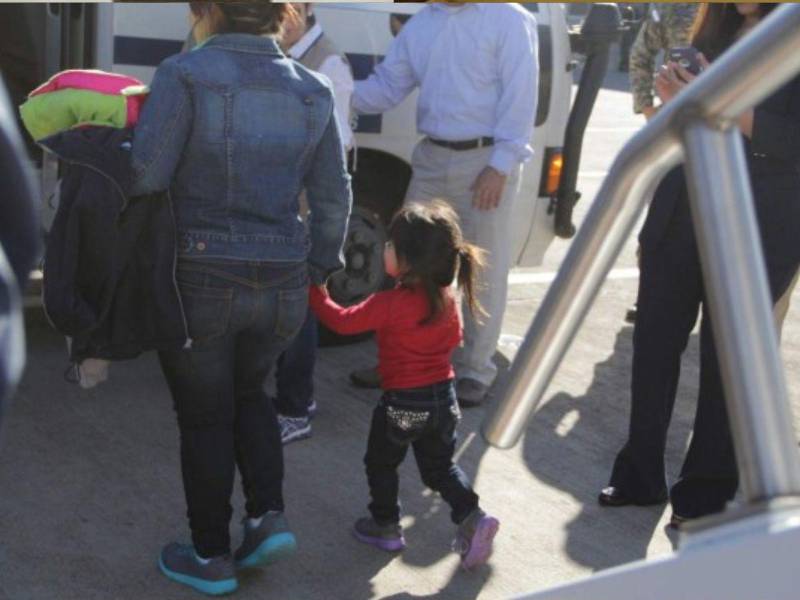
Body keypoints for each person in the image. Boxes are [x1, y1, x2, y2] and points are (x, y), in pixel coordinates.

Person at [130, 2, 352, 595]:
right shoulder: (314, 87)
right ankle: (266, 518)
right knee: (251, 393)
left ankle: (209, 556)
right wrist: (317, 267)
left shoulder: (184, 73)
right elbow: (334, 196)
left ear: (208, 10)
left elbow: (147, 175)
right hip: (283, 278)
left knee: (204, 415)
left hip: (200, 274)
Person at [600, 3, 800, 526]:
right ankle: (639, 473)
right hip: (682, 207)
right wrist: (677, 101)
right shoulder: (716, 28)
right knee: (653, 346)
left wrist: (719, 100)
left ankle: (704, 498)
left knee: (726, 364)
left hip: (757, 224)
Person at [350, 2, 539, 406]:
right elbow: (386, 87)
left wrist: (500, 165)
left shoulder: (508, 19)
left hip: (485, 161)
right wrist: (327, 90)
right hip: (431, 157)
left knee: (482, 270)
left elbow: (521, 96)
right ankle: (398, 361)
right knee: (407, 262)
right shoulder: (423, 24)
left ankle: (475, 370)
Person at [309, 202, 500, 570]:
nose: (384, 249)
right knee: (440, 468)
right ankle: (473, 517)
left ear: (407, 260)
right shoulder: (447, 300)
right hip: (444, 401)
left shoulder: (391, 303)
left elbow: (342, 321)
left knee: (381, 462)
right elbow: (455, 339)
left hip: (404, 406)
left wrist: (316, 290)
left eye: (391, 245)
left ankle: (385, 525)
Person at [273, 2, 354, 445]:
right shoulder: (283, 54)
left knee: (298, 312)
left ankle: (296, 407)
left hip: (300, 211)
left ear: (304, 8)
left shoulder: (327, 64)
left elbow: (335, 155)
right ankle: (293, 399)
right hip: (283, 208)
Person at [629, 3, 699, 120]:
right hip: (677, 109)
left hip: (727, 106)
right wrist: (647, 108)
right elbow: (641, 54)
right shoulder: (669, 5)